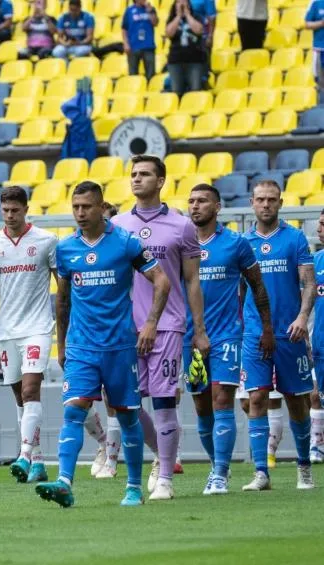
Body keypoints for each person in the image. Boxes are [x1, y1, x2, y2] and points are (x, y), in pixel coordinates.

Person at [36, 181, 170, 509]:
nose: (80, 213)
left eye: (86, 207)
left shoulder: (125, 243)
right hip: (82, 346)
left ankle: (134, 488)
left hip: (120, 346)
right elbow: (63, 300)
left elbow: (162, 280)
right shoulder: (66, 249)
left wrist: (151, 323)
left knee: (127, 417)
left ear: (100, 207)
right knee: (73, 411)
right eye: (75, 207)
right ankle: (65, 482)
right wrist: (62, 344)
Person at [111, 155, 208, 501]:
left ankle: (166, 477)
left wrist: (199, 329)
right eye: (133, 174)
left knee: (164, 401)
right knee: (126, 405)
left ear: (161, 180)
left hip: (167, 325)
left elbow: (192, 280)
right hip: (125, 328)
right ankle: (163, 455)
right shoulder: (118, 225)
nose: (137, 179)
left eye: (145, 174)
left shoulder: (181, 225)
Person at [183, 184, 273, 495]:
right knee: (201, 406)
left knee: (222, 398)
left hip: (226, 335)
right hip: (189, 336)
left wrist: (266, 329)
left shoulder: (235, 243)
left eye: (203, 201)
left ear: (218, 206)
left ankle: (220, 473)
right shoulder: (180, 242)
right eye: (192, 201)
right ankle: (216, 464)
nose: (196, 206)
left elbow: (258, 286)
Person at [0, 186, 58, 484]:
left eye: (15, 210)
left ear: (25, 208)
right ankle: (37, 461)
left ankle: (22, 455)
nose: (9, 215)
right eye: (5, 210)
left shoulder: (46, 241)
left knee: (32, 390)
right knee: (21, 400)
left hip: (38, 328)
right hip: (7, 330)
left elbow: (63, 284)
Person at [239, 180, 316, 491]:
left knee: (296, 401)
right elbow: (238, 291)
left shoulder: (295, 238)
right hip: (254, 334)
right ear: (252, 202)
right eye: (260, 199)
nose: (266, 204)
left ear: (280, 202)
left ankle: (304, 467)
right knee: (256, 398)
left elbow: (309, 284)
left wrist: (301, 318)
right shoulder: (242, 243)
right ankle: (261, 473)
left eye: (271, 199)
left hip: (290, 334)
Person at [165, 0, 207, 97]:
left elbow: (199, 30)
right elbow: (169, 33)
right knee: (176, 92)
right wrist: (178, 16)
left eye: (185, 3)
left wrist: (188, 15)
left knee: (195, 91)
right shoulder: (171, 18)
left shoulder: (197, 17)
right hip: (176, 61)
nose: (182, 6)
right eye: (179, 3)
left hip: (194, 60)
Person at [309, 211, 324, 463]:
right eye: (320, 223)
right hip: (320, 342)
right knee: (317, 394)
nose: (320, 228)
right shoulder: (315, 261)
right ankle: (317, 445)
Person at [122, 0, 158, 79]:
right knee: (133, 74)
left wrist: (150, 11)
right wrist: (126, 43)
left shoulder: (151, 9)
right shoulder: (129, 11)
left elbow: (155, 23)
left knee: (151, 74)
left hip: (148, 46)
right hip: (133, 46)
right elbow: (124, 29)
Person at [306, 0, 324, 98]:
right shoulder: (315, 2)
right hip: (320, 49)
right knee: (320, 81)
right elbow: (307, 24)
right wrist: (321, 23)